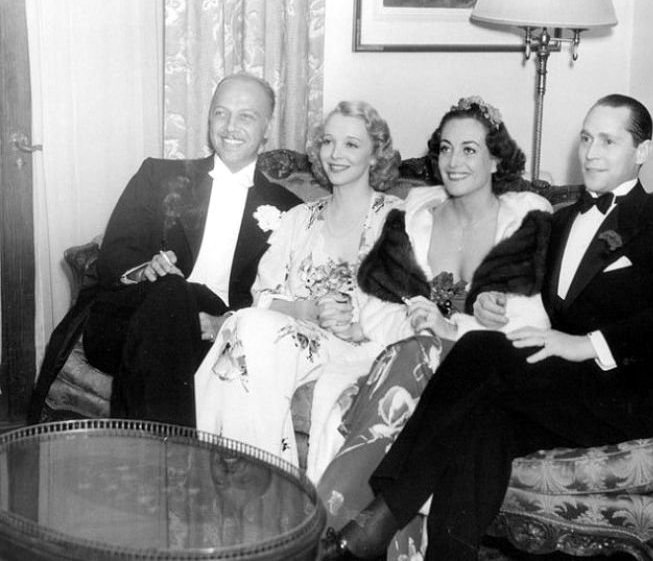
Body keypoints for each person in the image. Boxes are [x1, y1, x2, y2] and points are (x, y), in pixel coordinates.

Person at [321, 94, 653, 560]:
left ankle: (381, 515)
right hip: (551, 389)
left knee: (478, 354)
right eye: (587, 138)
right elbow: (526, 295)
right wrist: (491, 301)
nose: (591, 152)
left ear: (642, 152)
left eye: (608, 141)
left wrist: (586, 344)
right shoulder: (559, 221)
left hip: (619, 397)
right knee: (482, 421)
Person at [316, 95, 553, 542]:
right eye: (444, 148)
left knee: (423, 360)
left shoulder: (526, 221)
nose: (453, 161)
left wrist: (455, 329)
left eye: (469, 149)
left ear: (497, 158)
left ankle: (339, 522)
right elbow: (374, 303)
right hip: (407, 355)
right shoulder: (413, 216)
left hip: (482, 375)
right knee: (417, 355)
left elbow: (536, 321)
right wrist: (419, 326)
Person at [194, 101, 403, 476]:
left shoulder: (399, 218)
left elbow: (412, 304)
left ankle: (246, 479)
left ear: (376, 155)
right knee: (247, 324)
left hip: (363, 345)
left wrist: (358, 321)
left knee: (244, 332)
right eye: (328, 141)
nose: (336, 154)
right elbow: (263, 297)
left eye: (352, 144)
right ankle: (259, 477)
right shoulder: (298, 218)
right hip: (295, 340)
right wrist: (303, 311)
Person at [81, 73, 301, 427]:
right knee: (171, 292)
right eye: (220, 113)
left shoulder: (289, 210)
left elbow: (282, 296)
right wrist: (144, 269)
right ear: (209, 118)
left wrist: (225, 323)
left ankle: (153, 458)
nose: (230, 126)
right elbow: (113, 257)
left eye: (246, 116)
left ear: (267, 128)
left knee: (170, 324)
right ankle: (175, 462)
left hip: (214, 333)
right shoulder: (158, 176)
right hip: (128, 318)